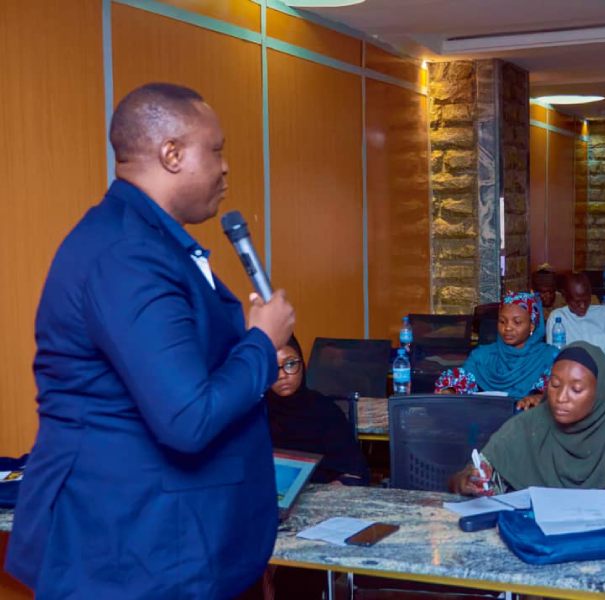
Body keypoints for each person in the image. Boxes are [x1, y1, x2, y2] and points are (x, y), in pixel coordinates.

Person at [5, 83, 296, 598]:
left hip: (157, 543)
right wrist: (261, 342)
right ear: (172, 154)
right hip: (125, 551)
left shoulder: (152, 242)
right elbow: (188, 418)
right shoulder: (127, 253)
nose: (226, 167)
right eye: (216, 150)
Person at [450, 342, 605, 507]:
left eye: (576, 389)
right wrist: (468, 482)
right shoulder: (527, 425)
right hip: (532, 535)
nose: (561, 398)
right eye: (555, 385)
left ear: (600, 392)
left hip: (602, 536)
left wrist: (563, 504)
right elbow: (471, 478)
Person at [268, 337, 369, 486]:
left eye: (290, 364)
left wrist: (337, 487)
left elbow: (356, 472)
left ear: (302, 364)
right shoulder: (255, 415)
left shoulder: (324, 411)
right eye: (272, 367)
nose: (282, 375)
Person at [435, 291, 558, 407]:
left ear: (531, 326)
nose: (508, 328)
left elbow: (556, 391)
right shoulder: (481, 356)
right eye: (502, 321)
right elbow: (462, 380)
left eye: (517, 322)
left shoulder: (549, 356)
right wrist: (450, 391)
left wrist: (540, 397)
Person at [546, 273, 605, 358]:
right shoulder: (558, 317)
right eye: (577, 302)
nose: (582, 306)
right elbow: (553, 354)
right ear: (565, 297)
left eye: (586, 300)